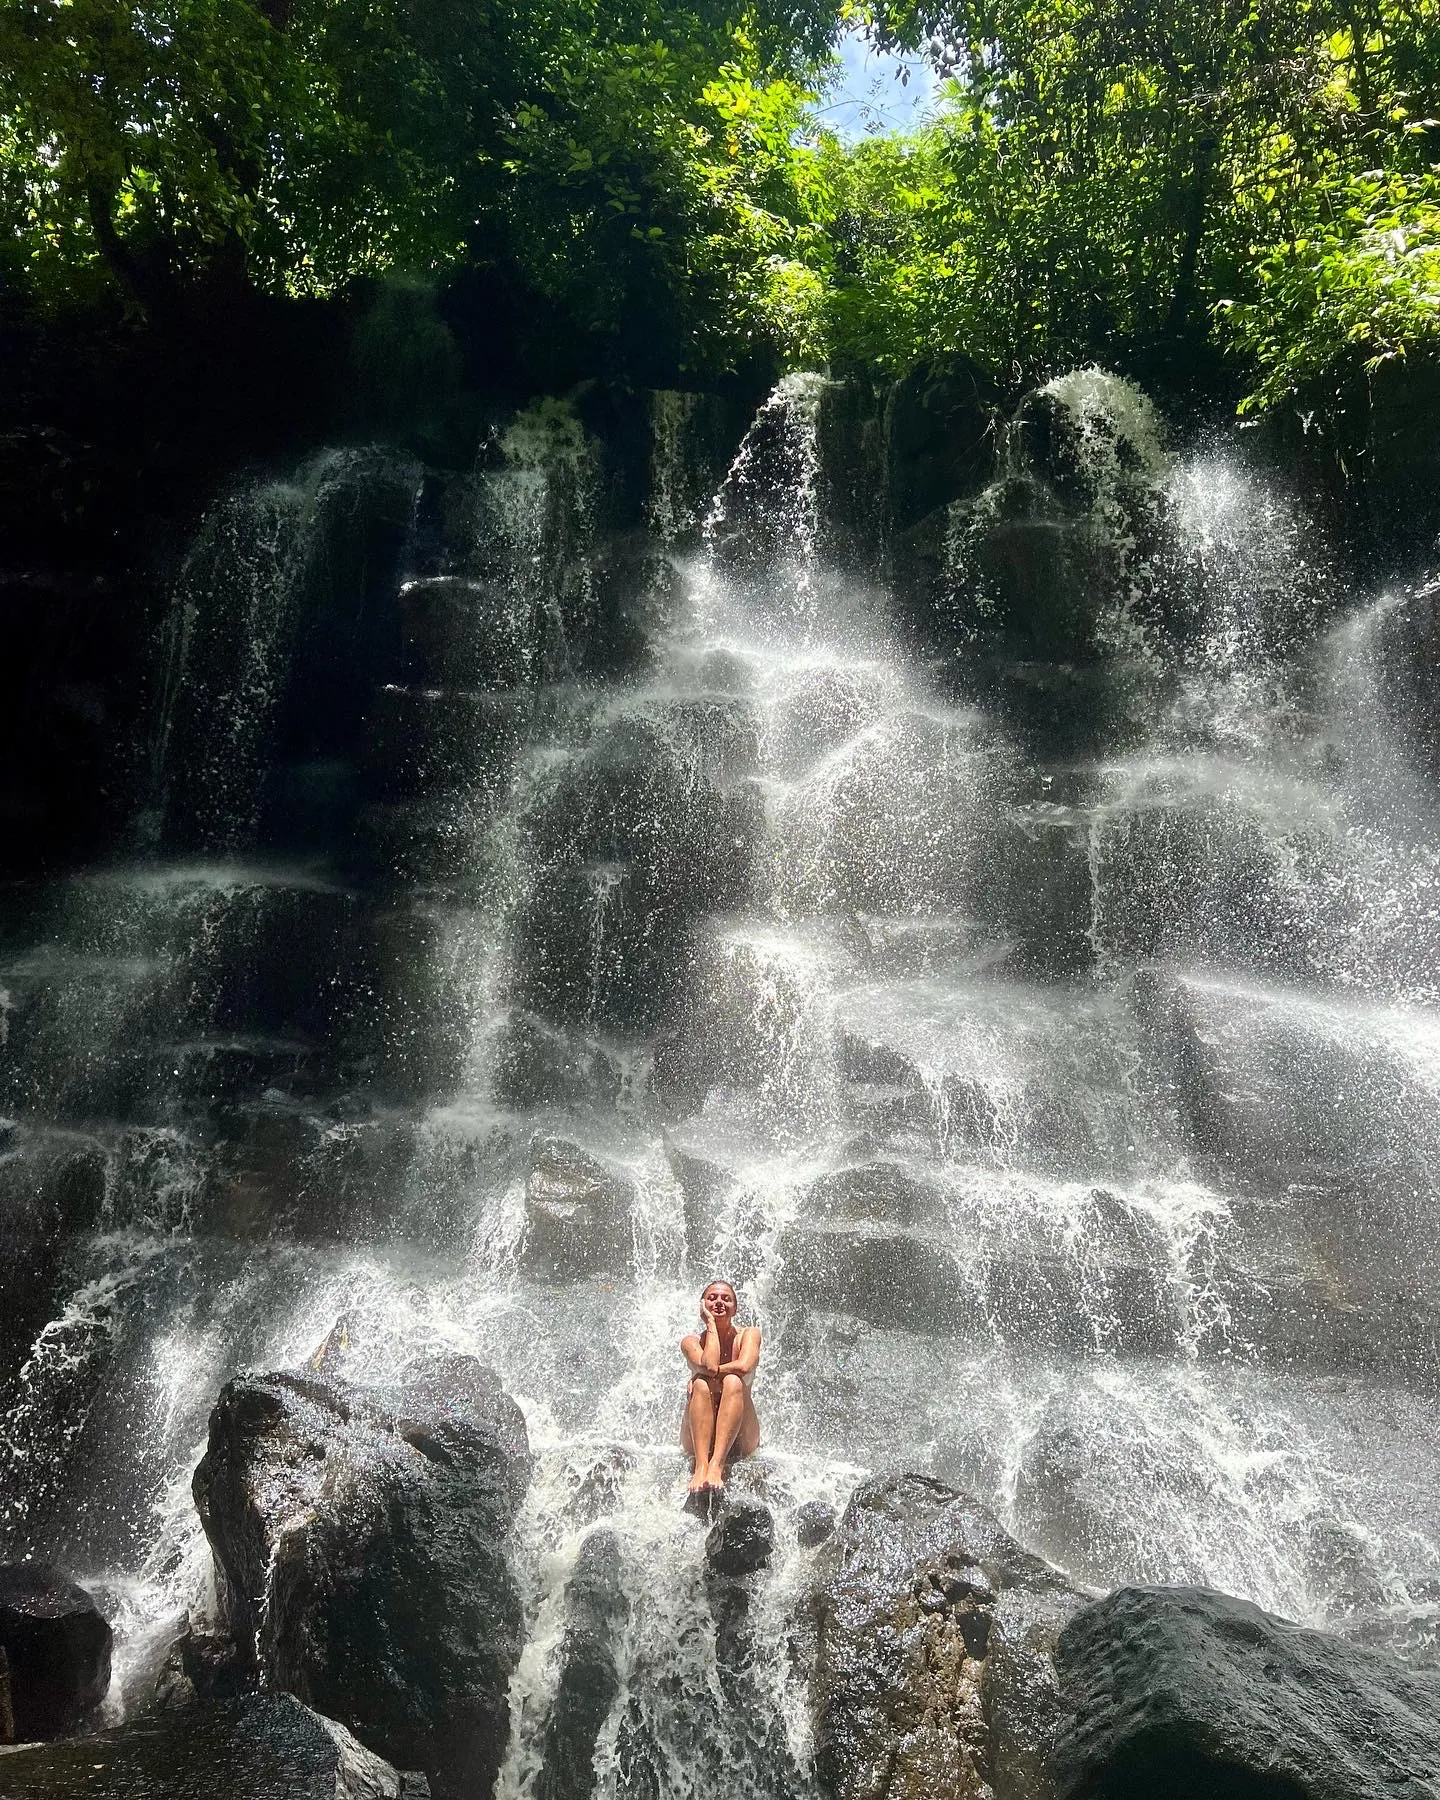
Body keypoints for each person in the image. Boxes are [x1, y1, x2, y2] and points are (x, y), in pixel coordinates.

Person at [680, 1279, 761, 1494]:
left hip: (742, 1436)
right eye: (712, 1298)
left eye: (727, 1299)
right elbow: (708, 1365)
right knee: (701, 1384)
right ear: (702, 1305)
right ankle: (701, 1466)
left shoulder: (749, 1334)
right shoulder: (691, 1342)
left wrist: (709, 1371)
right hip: (698, 1441)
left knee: (733, 1380)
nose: (719, 1302)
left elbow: (743, 1366)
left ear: (736, 1308)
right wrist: (711, 1326)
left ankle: (716, 1465)